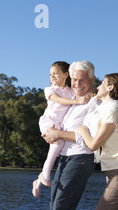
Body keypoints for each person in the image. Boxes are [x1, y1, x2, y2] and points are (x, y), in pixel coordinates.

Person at [36, 60, 101, 210]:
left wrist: (58, 134)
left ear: (92, 79)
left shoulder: (95, 103)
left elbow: (89, 138)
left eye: (82, 79)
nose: (77, 83)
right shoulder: (71, 99)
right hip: (63, 158)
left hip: (81, 158)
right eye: (74, 79)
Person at [76, 73, 118, 210]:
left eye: (102, 83)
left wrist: (82, 131)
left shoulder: (113, 109)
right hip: (112, 170)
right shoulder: (104, 107)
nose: (99, 85)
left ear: (111, 87)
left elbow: (93, 144)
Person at [32, 61, 91, 198]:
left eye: (56, 73)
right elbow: (59, 100)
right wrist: (77, 102)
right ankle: (44, 175)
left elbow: (86, 90)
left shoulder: (71, 90)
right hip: (48, 122)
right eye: (50, 74)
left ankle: (39, 180)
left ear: (66, 74)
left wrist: (91, 92)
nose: (52, 76)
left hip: (59, 125)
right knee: (58, 143)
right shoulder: (50, 89)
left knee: (59, 145)